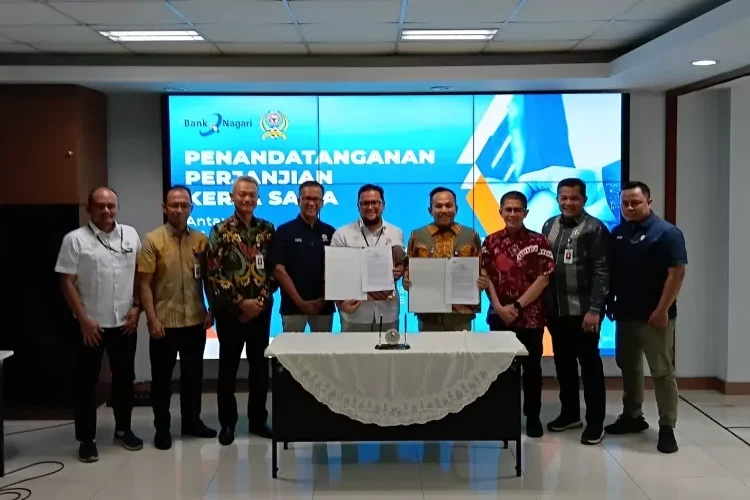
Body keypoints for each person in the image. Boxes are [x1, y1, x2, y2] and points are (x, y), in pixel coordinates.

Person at [55, 186, 143, 463]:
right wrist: (83, 320)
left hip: (124, 323)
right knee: (85, 383)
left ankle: (123, 429)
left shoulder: (130, 235)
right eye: (101, 206)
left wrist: (137, 308)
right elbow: (66, 282)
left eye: (111, 205)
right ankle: (86, 439)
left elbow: (141, 275)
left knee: (125, 379)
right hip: (89, 325)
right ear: (89, 209)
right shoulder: (75, 240)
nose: (107, 210)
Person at [605, 181, 687, 454]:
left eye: (636, 202)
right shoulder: (617, 233)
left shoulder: (667, 233)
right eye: (625, 203)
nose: (629, 207)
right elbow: (614, 273)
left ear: (649, 202)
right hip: (626, 315)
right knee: (629, 366)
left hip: (656, 317)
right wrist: (610, 302)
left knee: (662, 371)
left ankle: (667, 427)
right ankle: (633, 416)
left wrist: (662, 310)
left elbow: (676, 273)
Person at [138, 186, 217, 451]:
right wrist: (151, 318)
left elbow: (207, 279)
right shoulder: (152, 240)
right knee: (161, 380)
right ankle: (162, 428)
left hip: (195, 319)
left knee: (193, 377)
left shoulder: (201, 240)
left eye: (184, 205)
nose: (179, 209)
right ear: (165, 207)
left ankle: (191, 422)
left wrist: (211, 310)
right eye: (174, 205)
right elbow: (145, 284)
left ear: (191, 208)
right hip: (164, 323)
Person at [207, 176, 277, 446]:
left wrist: (258, 302)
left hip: (261, 311)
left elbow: (273, 269)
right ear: (232, 197)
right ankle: (228, 423)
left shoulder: (267, 230)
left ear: (257, 198)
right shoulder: (220, 230)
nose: (247, 199)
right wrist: (240, 303)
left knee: (260, 368)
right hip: (231, 312)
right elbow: (215, 273)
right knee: (228, 368)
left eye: (251, 195)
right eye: (241, 194)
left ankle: (258, 420)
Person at [541, 178, 609, 445]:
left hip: (585, 313)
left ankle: (595, 423)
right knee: (564, 365)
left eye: (574, 198)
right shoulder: (550, 225)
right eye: (564, 198)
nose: (568, 202)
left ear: (584, 200)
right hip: (556, 311)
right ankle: (569, 414)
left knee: (590, 367)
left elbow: (602, 272)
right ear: (557, 199)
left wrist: (595, 310)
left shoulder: (595, 228)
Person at [482, 191, 554, 438]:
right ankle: (503, 417)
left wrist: (517, 306)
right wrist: (501, 308)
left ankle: (532, 417)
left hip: (530, 318)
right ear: (500, 212)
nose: (512, 214)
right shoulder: (490, 242)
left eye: (517, 210)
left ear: (526, 213)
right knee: (501, 370)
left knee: (532, 370)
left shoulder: (539, 241)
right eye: (508, 209)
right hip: (499, 316)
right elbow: (486, 278)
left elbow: (543, 280)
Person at [403, 186, 490, 331]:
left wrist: (483, 281)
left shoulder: (470, 235)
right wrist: (406, 282)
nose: (444, 210)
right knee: (430, 353)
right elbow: (408, 270)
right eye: (438, 206)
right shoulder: (417, 236)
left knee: (461, 353)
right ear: (430, 210)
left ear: (456, 208)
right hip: (428, 315)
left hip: (461, 316)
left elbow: (482, 268)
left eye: (448, 205)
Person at [330, 184, 405, 332]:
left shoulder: (396, 233)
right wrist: (340, 304)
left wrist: (399, 270)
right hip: (355, 312)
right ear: (358, 206)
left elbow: (401, 263)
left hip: (388, 312)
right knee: (352, 355)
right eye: (364, 203)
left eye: (374, 202)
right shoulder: (342, 234)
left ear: (383, 205)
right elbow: (333, 274)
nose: (370, 207)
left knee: (389, 355)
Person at [271, 181, 336, 332]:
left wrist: (324, 299)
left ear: (322, 202)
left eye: (316, 199)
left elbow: (335, 269)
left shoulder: (331, 232)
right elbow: (279, 270)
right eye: (307, 198)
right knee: (291, 354)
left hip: (323, 307)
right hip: (292, 307)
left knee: (322, 353)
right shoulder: (284, 231)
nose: (311, 203)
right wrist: (300, 302)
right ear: (298, 200)